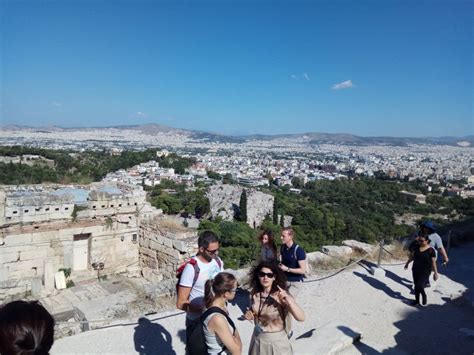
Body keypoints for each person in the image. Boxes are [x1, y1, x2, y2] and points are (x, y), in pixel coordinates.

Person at [244, 260, 305, 355]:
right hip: (258, 338)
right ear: (258, 275)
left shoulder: (281, 296)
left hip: (277, 341)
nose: (265, 277)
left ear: (274, 277)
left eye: (269, 275)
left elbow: (301, 318)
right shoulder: (254, 294)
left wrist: (288, 301)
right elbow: (255, 312)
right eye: (262, 274)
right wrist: (250, 314)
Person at [177, 231, 224, 349]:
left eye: (217, 249)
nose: (216, 253)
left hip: (217, 317)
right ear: (202, 249)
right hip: (197, 321)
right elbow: (180, 303)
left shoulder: (218, 262)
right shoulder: (191, 268)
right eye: (212, 251)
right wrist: (206, 308)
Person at [202, 272, 242, 355]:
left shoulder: (215, 307)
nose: (236, 292)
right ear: (226, 294)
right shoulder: (217, 318)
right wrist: (235, 335)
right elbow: (237, 351)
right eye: (235, 290)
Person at [404, 234, 439, 305]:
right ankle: (417, 301)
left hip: (425, 271)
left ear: (427, 241)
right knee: (416, 285)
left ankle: (424, 295)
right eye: (419, 240)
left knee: (419, 285)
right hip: (415, 269)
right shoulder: (416, 247)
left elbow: (433, 262)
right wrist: (407, 263)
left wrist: (435, 273)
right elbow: (412, 257)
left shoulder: (431, 250)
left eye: (422, 241)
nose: (420, 242)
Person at [278, 227, 306, 296]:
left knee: (288, 300)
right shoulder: (282, 248)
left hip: (295, 282)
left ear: (290, 237)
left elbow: (303, 270)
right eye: (281, 235)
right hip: (284, 280)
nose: (281, 238)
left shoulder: (298, 251)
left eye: (283, 236)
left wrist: (287, 269)